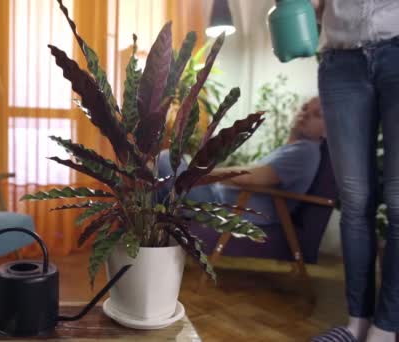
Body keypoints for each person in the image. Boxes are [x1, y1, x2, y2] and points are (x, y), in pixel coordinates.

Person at [312, 1, 399, 341]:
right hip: (341, 59)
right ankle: (357, 323)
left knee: (398, 200)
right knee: (353, 200)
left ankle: (387, 326)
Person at [158, 97, 326, 226]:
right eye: (305, 108)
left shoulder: (305, 152)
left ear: (326, 131)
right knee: (164, 177)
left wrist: (202, 174)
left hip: (223, 208)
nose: (306, 114)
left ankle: (146, 241)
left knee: (167, 159)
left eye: (317, 114)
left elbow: (252, 177)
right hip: (219, 199)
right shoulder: (295, 149)